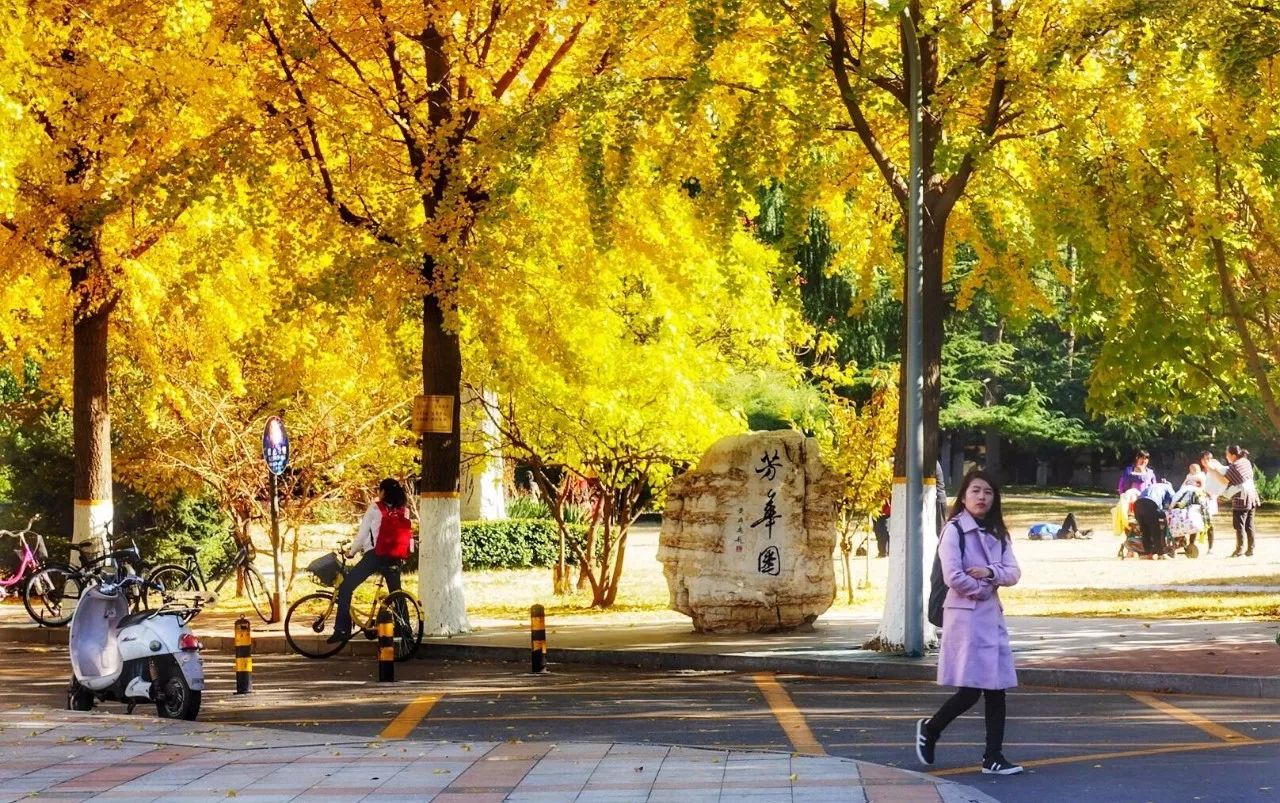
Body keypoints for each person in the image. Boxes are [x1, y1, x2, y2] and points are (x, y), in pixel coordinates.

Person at [914, 470, 1023, 776]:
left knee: (996, 688)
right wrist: (983, 588)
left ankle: (993, 757)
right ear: (963, 496)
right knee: (971, 689)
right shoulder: (955, 531)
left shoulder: (999, 532)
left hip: (991, 617)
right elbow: (953, 576)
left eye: (988, 492)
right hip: (966, 616)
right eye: (975, 491)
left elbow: (1013, 572)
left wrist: (989, 573)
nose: (981, 497)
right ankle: (931, 729)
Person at [328, 478, 408, 643]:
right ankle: (404, 629)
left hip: (375, 556)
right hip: (395, 557)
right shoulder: (403, 510)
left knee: (346, 587)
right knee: (397, 594)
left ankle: (341, 630)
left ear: (383, 492)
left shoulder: (374, 508)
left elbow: (363, 534)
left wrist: (352, 552)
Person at [1224, 445, 1260, 557]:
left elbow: (1224, 480)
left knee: (1239, 525)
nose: (1226, 457)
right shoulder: (1245, 461)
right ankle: (1250, 549)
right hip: (1252, 495)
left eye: (1227, 454)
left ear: (1233, 455)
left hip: (1241, 498)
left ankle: (1239, 550)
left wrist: (1212, 469)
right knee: (1249, 524)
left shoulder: (1234, 466)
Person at [1135, 477, 1176, 558]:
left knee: (1145, 530)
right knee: (1155, 530)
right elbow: (1173, 499)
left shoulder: (1153, 486)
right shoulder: (1168, 487)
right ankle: (1161, 554)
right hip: (1150, 504)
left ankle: (1148, 553)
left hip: (1137, 504)